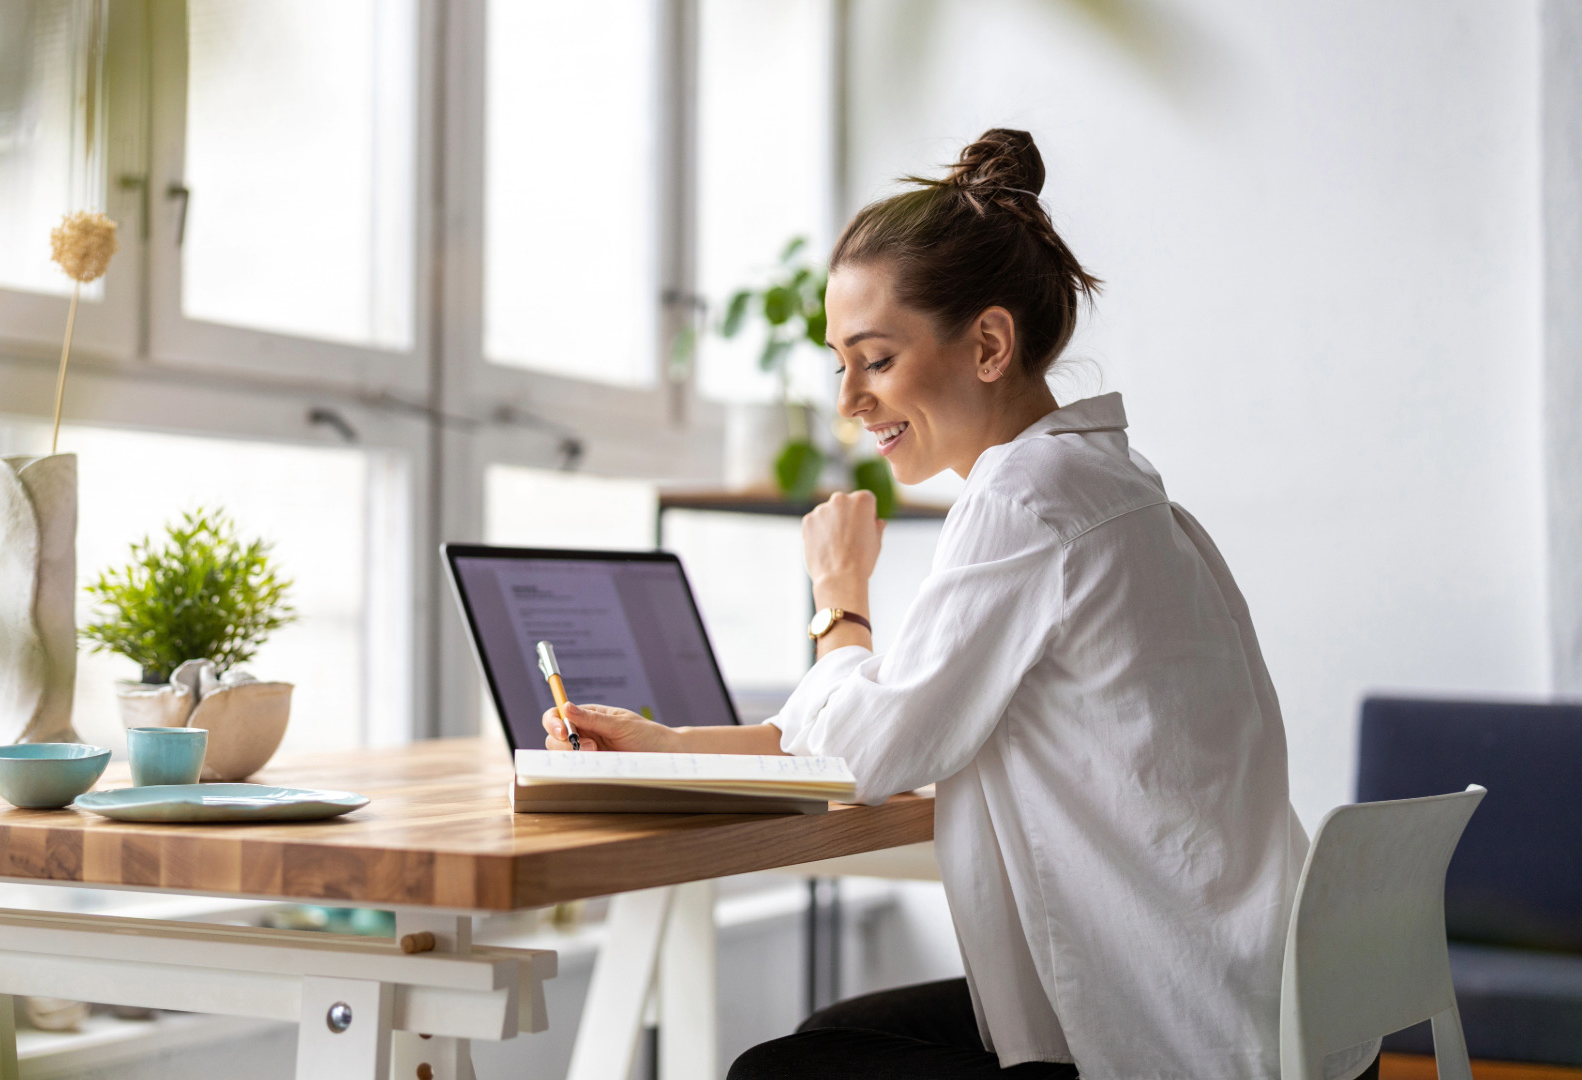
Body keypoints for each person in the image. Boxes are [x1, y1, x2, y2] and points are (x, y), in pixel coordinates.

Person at [541, 129, 1373, 1080]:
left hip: (1178, 1040)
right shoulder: (1108, 483)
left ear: (987, 344)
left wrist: (836, 594)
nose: (850, 398)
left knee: (786, 1070)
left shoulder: (1026, 500)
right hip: (1260, 1011)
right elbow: (895, 713)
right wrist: (678, 748)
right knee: (832, 1037)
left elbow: (870, 748)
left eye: (876, 359)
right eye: (838, 363)